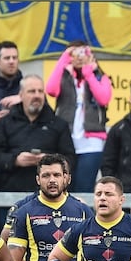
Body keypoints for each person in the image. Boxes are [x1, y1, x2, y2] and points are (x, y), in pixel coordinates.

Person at [0, 75, 75, 192]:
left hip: (50, 193)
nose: (37, 95)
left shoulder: (59, 124)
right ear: (21, 95)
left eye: (40, 91)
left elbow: (71, 159)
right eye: (32, 91)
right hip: (11, 191)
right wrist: (15, 160)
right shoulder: (5, 123)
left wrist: (50, 161)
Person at [48, 42, 113, 193]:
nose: (78, 57)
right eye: (74, 54)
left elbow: (103, 98)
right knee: (63, 188)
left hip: (91, 143)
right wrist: (64, 58)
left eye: (83, 53)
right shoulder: (64, 77)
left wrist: (88, 73)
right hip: (66, 140)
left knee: (84, 188)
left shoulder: (100, 77)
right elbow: (51, 90)